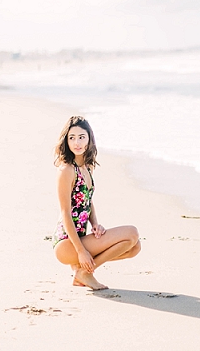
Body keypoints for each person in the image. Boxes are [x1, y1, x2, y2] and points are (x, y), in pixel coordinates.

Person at [52, 116, 140, 289]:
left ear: (89, 139)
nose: (76, 142)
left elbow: (87, 200)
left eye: (81, 137)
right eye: (72, 138)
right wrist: (80, 251)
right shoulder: (66, 170)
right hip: (67, 242)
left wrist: (95, 224)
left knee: (134, 247)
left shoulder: (87, 166)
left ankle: (81, 273)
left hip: (82, 237)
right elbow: (65, 213)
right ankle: (85, 273)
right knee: (132, 232)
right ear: (66, 141)